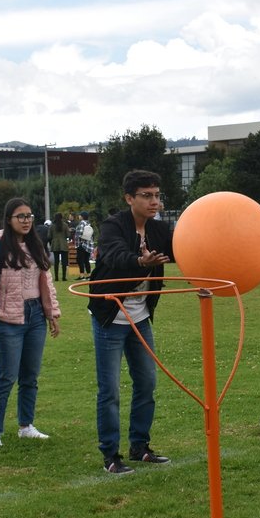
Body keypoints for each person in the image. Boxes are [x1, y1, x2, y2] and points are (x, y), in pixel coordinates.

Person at [88, 170, 174, 473]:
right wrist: (140, 261)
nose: (154, 202)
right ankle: (110, 456)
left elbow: (185, 252)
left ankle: (140, 447)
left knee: (147, 382)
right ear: (129, 198)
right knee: (109, 389)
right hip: (111, 316)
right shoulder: (113, 226)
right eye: (146, 196)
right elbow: (113, 256)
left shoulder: (160, 229)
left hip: (140, 317)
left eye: (157, 195)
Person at [0, 198, 61, 448]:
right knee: (5, 377)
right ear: (9, 219)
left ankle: (26, 425)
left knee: (30, 376)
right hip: (7, 320)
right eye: (20, 216)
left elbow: (47, 283)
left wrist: (52, 314)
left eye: (29, 216)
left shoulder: (36, 245)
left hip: (35, 316)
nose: (26, 221)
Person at [49, 213, 70, 281]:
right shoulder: (65, 225)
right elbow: (68, 235)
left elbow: (49, 236)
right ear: (61, 218)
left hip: (55, 244)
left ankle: (56, 277)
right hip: (63, 244)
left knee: (56, 262)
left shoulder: (52, 226)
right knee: (64, 262)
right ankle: (64, 277)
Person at [75, 212, 94, 279]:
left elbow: (79, 234)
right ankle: (89, 274)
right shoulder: (88, 223)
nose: (79, 216)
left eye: (80, 215)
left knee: (80, 260)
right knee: (86, 260)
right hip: (88, 245)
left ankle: (82, 275)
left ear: (82, 216)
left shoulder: (82, 223)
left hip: (81, 244)